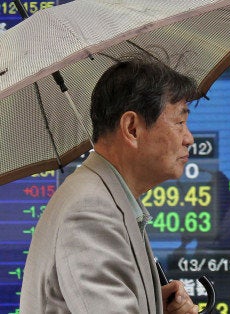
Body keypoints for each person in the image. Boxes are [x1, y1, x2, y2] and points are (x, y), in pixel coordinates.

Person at [20, 56, 200, 313]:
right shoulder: (91, 210)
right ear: (132, 128)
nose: (189, 138)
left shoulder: (108, 198)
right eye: (180, 123)